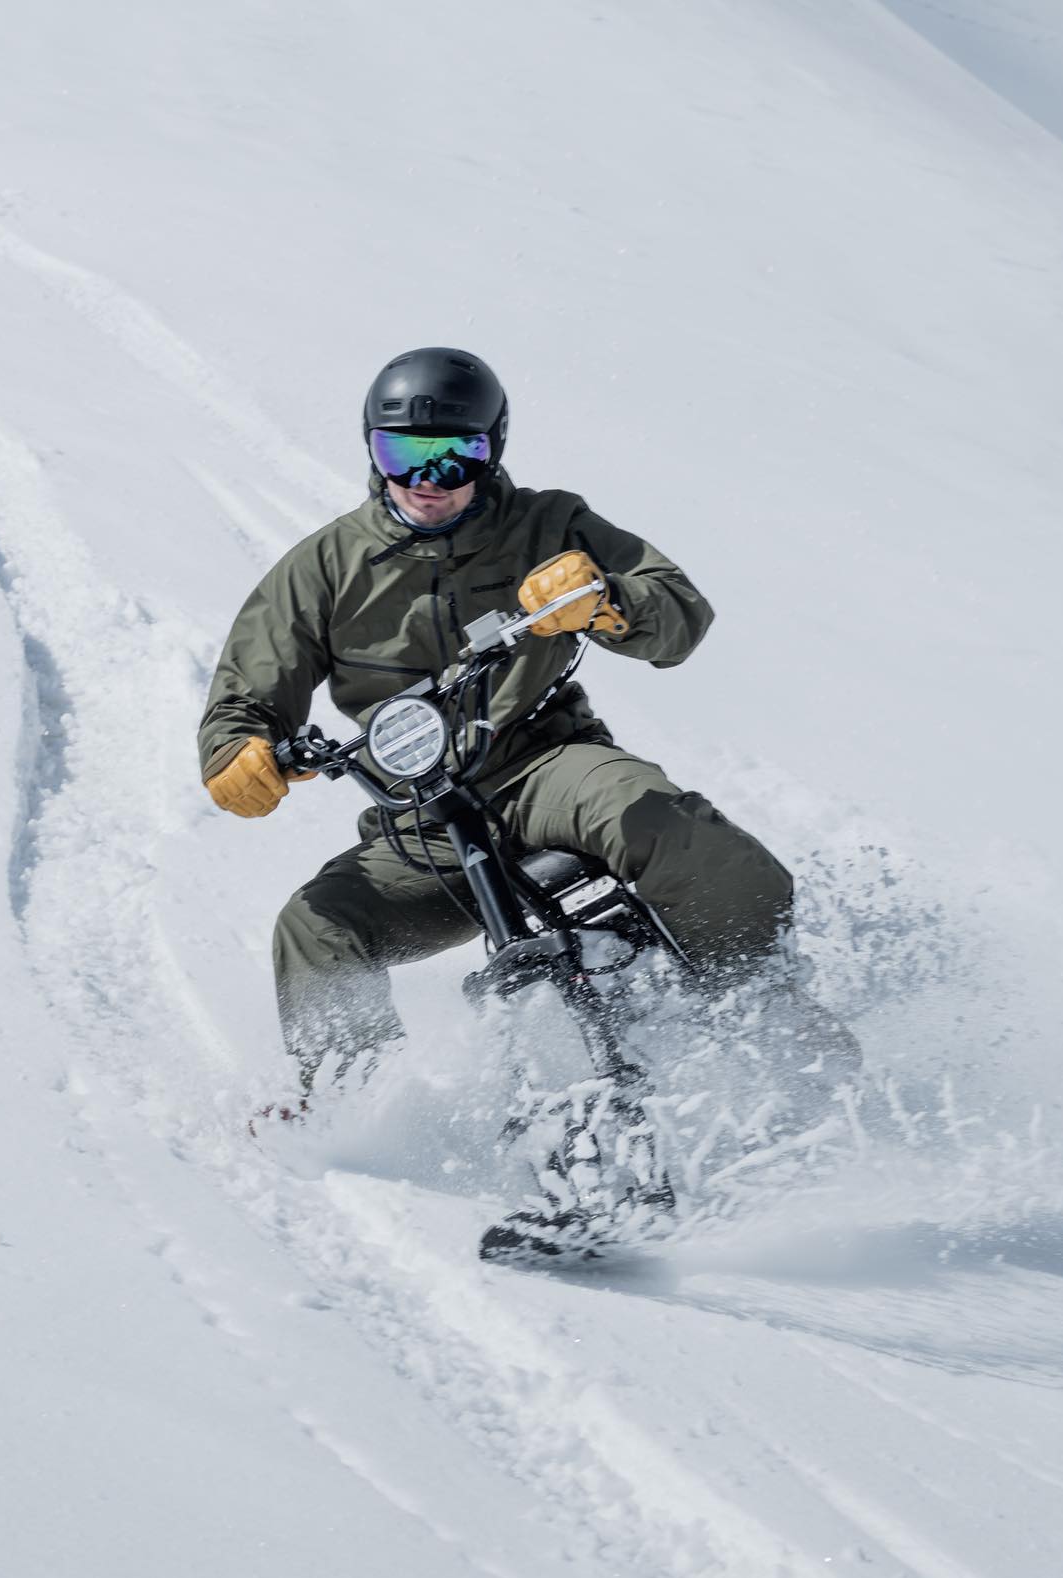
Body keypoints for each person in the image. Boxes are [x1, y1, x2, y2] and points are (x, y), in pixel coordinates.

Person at [199, 346, 852, 1095]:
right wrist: (240, 753)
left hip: (550, 766)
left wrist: (609, 600)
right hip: (422, 820)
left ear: (492, 449)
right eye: (401, 455)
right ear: (371, 451)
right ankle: (358, 1100)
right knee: (316, 926)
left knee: (670, 830)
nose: (425, 482)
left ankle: (761, 1009)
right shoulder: (323, 569)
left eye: (454, 458)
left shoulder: (549, 525)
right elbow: (244, 696)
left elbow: (679, 613)